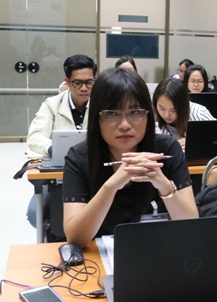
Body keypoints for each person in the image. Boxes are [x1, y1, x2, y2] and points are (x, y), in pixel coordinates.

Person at [62, 68, 198, 247]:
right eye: (111, 113)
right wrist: (111, 186)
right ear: (97, 118)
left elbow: (191, 227)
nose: (125, 125)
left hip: (160, 251)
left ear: (148, 115)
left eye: (135, 112)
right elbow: (75, 238)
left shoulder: (167, 150)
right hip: (100, 258)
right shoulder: (79, 158)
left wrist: (165, 187)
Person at [25, 54, 97, 228]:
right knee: (35, 214)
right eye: (77, 83)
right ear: (68, 82)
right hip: (59, 175)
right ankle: (53, 234)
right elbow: (35, 136)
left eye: (89, 82)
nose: (84, 88)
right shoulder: (52, 104)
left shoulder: (103, 105)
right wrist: (53, 148)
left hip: (94, 174)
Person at [152, 77, 215, 149]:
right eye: (162, 108)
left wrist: (195, 141)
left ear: (183, 105)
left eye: (173, 110)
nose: (166, 115)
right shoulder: (150, 116)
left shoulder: (199, 113)